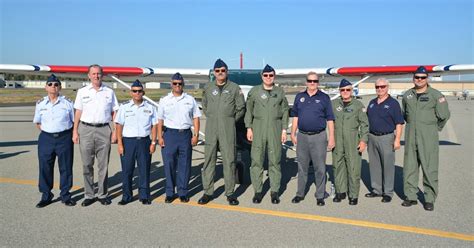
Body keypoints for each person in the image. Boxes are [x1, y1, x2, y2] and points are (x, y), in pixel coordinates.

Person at [401, 66, 450, 211]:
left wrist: (433, 128)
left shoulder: (436, 95)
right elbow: (405, 114)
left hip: (428, 137)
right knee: (410, 167)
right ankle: (411, 196)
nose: (419, 80)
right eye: (417, 77)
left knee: (429, 167)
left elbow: (444, 116)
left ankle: (429, 198)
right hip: (411, 136)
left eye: (422, 77)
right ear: (413, 78)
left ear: (427, 78)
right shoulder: (407, 95)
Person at [198, 59, 246, 206]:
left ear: (227, 72)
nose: (220, 73)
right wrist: (213, 116)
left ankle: (230, 193)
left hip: (227, 127)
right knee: (209, 159)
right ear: (214, 72)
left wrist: (230, 119)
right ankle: (208, 191)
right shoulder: (208, 88)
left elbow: (241, 108)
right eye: (217, 71)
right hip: (211, 127)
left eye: (223, 71)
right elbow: (204, 106)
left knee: (229, 160)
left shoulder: (234, 88)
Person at [73, 64, 119, 206]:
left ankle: (102, 194)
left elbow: (115, 112)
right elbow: (78, 112)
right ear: (89, 75)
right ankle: (89, 194)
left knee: (103, 165)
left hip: (104, 129)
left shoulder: (109, 92)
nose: (96, 76)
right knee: (87, 164)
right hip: (85, 129)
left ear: (102, 75)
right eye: (93, 74)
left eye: (98, 73)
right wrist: (75, 131)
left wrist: (115, 131)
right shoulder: (82, 92)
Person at [244, 65, 289, 204]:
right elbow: (249, 111)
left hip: (275, 129)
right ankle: (258, 191)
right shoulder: (254, 91)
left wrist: (283, 130)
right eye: (266, 75)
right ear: (261, 76)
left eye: (271, 75)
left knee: (275, 161)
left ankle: (274, 192)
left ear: (274, 76)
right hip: (258, 128)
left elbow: (285, 111)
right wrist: (249, 128)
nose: (268, 77)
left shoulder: (279, 92)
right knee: (256, 160)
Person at [290, 71, 335, 206]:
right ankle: (300, 193)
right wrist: (293, 133)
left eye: (315, 81)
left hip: (319, 136)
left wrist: (332, 137)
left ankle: (320, 195)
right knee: (302, 166)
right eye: (310, 81)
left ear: (318, 83)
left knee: (319, 167)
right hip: (302, 136)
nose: (312, 83)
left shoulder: (324, 98)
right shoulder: (299, 97)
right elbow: (296, 116)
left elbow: (330, 119)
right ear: (306, 82)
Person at [157, 73, 201, 203]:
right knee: (169, 164)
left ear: (183, 84)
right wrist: (160, 137)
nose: (177, 86)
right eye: (175, 83)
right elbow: (160, 120)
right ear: (171, 84)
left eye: (180, 83)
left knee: (185, 164)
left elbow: (196, 117)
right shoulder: (164, 100)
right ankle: (170, 192)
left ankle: (183, 192)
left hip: (185, 135)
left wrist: (196, 135)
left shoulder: (190, 99)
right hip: (170, 134)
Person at [33, 74, 75, 208]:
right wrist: (49, 132)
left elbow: (74, 121)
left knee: (66, 167)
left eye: (56, 84)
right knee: (45, 167)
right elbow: (38, 122)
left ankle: (65, 195)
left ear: (60, 87)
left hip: (64, 138)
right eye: (50, 84)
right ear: (46, 87)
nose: (53, 87)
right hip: (46, 138)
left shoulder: (67, 103)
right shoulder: (40, 104)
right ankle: (46, 195)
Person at [115, 80, 158, 205]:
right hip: (128, 142)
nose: (137, 93)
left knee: (144, 169)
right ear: (131, 93)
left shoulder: (150, 108)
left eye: (139, 91)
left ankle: (144, 195)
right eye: (135, 91)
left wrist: (153, 143)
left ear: (143, 92)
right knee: (127, 170)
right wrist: (120, 144)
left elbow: (154, 126)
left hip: (144, 141)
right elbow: (119, 126)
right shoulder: (124, 107)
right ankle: (126, 196)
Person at [365, 78, 404, 203]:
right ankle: (377, 190)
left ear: (387, 87)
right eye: (377, 87)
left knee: (387, 166)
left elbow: (399, 123)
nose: (380, 89)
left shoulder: (393, 103)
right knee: (374, 165)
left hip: (387, 138)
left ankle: (388, 192)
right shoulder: (371, 103)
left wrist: (397, 139)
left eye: (382, 86)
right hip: (372, 137)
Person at [332, 79, 369, 206]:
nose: (345, 92)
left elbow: (365, 124)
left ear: (352, 91)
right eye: (343, 90)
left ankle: (353, 195)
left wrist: (363, 140)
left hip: (352, 138)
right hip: (337, 139)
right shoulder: (334, 104)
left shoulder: (358, 105)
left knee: (353, 167)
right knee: (338, 165)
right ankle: (340, 191)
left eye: (348, 89)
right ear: (339, 91)